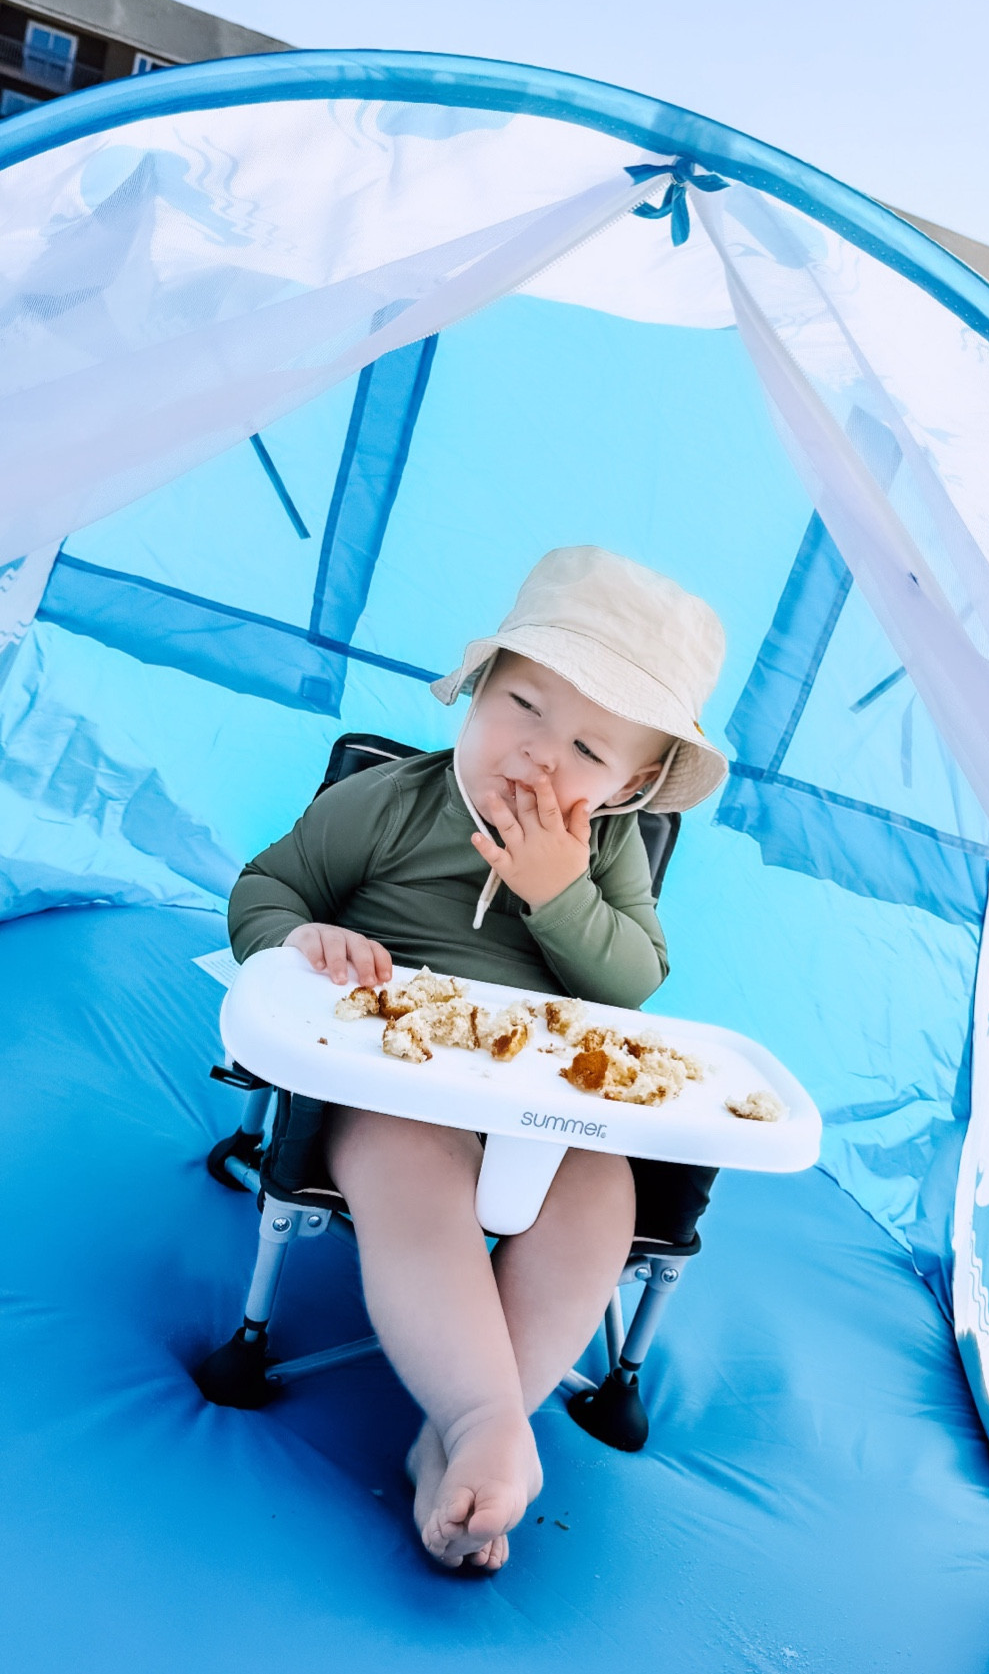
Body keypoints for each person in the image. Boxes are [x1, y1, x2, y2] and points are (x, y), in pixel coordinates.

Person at [228, 546, 727, 1573]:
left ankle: (452, 1440)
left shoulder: (612, 852)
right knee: (415, 1177)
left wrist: (562, 891)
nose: (540, 756)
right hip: (400, 1077)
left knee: (598, 1196)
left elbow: (633, 978)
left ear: (634, 784)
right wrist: (300, 941)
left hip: (544, 1096)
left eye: (588, 747)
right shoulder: (394, 804)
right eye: (525, 707)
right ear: (474, 691)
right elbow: (266, 886)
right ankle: (481, 1410)